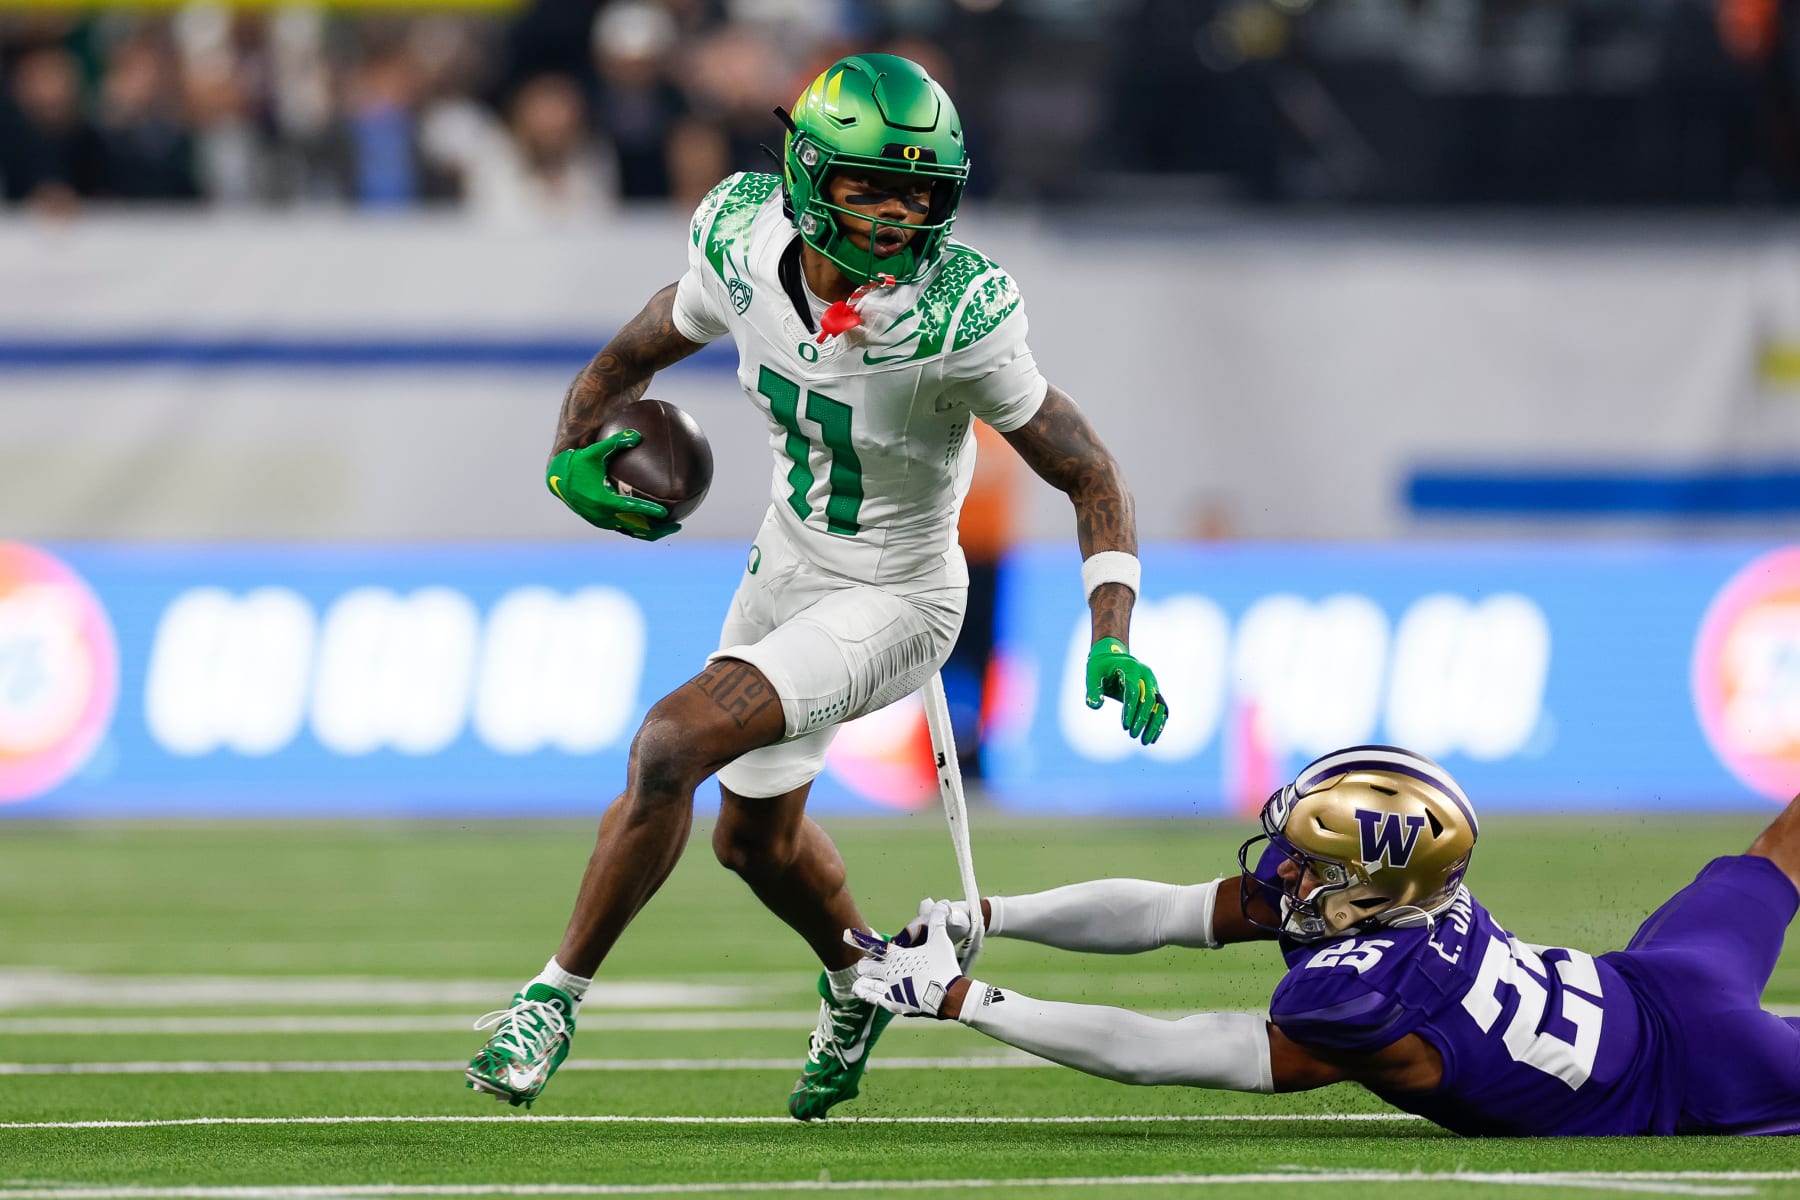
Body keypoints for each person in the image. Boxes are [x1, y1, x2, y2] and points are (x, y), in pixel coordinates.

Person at [464, 52, 1170, 1120]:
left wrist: (1111, 628)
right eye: (869, 187)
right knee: (754, 842)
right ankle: (859, 977)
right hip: (789, 558)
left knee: (669, 744)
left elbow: (1089, 470)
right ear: (804, 175)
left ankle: (551, 999)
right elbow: (634, 350)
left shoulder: (958, 312)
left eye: (918, 193)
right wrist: (570, 455)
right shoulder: (744, 241)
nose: (895, 217)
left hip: (899, 593)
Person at [851, 744, 1800, 1137]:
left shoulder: (1366, 997)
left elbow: (1161, 1051)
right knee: (1778, 850)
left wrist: (964, 1000)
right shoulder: (1382, 902)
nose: (1285, 874)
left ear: (1375, 885)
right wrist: (992, 917)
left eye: (1310, 863)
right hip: (1647, 979)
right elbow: (1167, 912)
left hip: (1696, 1069)